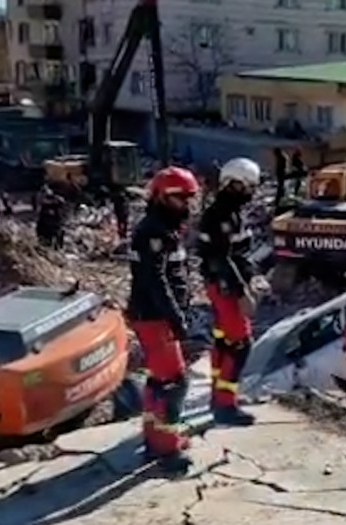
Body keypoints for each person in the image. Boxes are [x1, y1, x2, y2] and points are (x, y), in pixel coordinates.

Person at [127, 166, 200, 473]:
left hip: (159, 315)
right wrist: (176, 318)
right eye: (179, 198)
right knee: (174, 382)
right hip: (154, 317)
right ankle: (165, 449)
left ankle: (156, 438)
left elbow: (174, 275)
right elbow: (156, 281)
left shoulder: (166, 229)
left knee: (160, 380)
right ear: (160, 198)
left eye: (188, 198)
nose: (186, 205)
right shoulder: (152, 232)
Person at [197, 157, 267, 427]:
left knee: (224, 341)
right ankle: (225, 404)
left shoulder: (228, 212)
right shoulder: (222, 216)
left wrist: (252, 277)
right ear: (238, 184)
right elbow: (223, 259)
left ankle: (218, 396)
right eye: (250, 186)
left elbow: (239, 255)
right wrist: (241, 293)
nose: (252, 192)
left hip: (222, 284)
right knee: (240, 344)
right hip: (225, 287)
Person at [35, 183, 67, 249]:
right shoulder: (41, 201)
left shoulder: (57, 200)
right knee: (45, 241)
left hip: (54, 224)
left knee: (58, 237)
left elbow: (61, 203)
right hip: (45, 224)